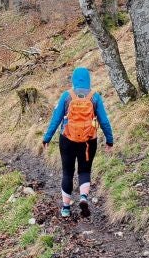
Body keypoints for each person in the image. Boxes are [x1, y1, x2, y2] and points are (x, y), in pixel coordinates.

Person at [41, 67, 114, 219]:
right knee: (84, 171)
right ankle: (83, 197)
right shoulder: (95, 97)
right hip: (88, 141)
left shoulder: (67, 96)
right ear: (88, 79)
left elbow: (56, 119)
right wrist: (109, 140)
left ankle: (66, 208)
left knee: (67, 172)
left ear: (73, 80)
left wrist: (47, 138)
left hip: (67, 139)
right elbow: (104, 121)